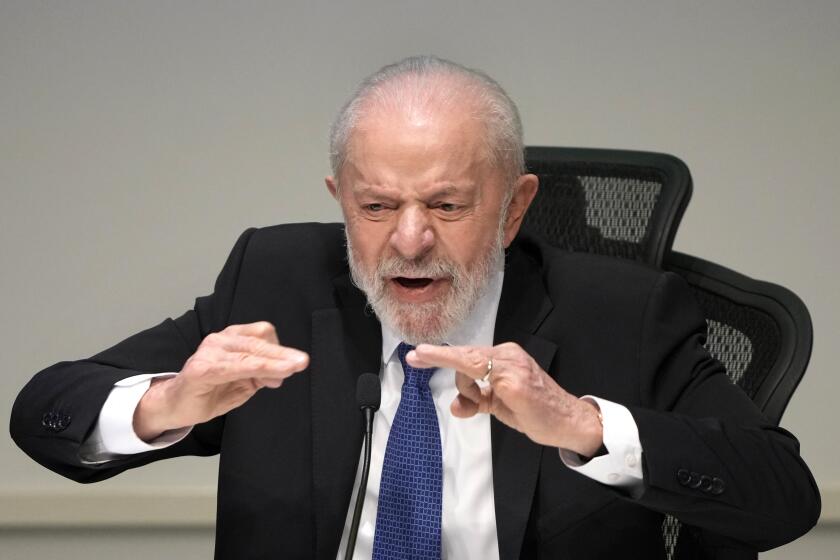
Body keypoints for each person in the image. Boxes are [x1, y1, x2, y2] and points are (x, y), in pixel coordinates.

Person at [11, 56, 819, 559]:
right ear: (339, 200)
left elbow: (784, 497)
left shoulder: (623, 312)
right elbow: (46, 411)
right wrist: (169, 403)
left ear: (513, 207)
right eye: (374, 207)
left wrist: (582, 424)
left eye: (446, 206)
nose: (408, 240)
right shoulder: (278, 282)